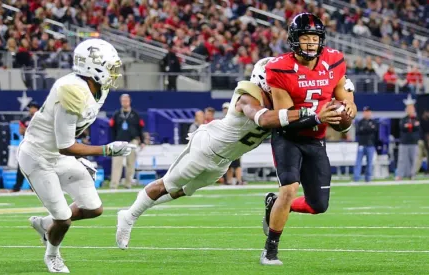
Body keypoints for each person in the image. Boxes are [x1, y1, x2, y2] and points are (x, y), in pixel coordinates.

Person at [116, 56, 346, 250]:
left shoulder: (280, 101)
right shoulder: (247, 97)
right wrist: (313, 113)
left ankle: (133, 212)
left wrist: (342, 91)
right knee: (166, 184)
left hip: (222, 160)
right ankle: (129, 217)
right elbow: (265, 119)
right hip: (205, 149)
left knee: (184, 191)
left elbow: (313, 93)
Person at [18, 39, 136, 273]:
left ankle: (44, 225)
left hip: (57, 154)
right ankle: (52, 255)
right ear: (95, 68)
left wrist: (78, 157)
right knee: (63, 218)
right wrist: (106, 150)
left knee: (94, 208)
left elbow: (70, 136)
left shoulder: (95, 89)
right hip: (38, 156)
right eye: (110, 67)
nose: (114, 73)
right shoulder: (72, 90)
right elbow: (65, 145)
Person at [262, 13, 357, 265]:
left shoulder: (335, 61)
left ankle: (277, 206)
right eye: (305, 37)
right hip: (288, 137)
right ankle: (270, 250)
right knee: (289, 188)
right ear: (294, 40)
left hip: (316, 140)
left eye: (314, 38)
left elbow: (348, 100)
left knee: (318, 205)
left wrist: (347, 112)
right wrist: (317, 116)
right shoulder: (278, 67)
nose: (310, 43)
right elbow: (286, 117)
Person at [109, 94, 145, 189]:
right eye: (123, 100)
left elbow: (140, 128)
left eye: (126, 100)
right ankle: (114, 185)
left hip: (132, 141)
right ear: (121, 102)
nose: (125, 102)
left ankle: (128, 184)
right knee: (117, 164)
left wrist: (142, 141)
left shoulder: (135, 114)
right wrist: (112, 141)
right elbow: (112, 129)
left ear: (129, 101)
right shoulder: (117, 114)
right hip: (118, 142)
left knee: (131, 164)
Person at [13, 101, 39, 192]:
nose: (32, 109)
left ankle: (34, 187)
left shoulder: (41, 118)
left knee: (36, 167)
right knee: (21, 166)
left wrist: (28, 130)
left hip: (38, 146)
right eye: (31, 107)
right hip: (27, 145)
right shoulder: (25, 119)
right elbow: (21, 131)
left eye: (34, 107)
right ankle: (17, 186)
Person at [396, 96, 419, 180]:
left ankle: (412, 175)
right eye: (409, 108)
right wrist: (412, 125)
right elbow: (403, 127)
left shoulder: (416, 118)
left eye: (412, 108)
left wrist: (410, 126)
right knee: (402, 160)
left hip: (414, 142)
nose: (410, 110)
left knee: (414, 160)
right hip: (404, 142)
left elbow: (418, 127)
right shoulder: (403, 119)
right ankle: (400, 175)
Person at [353, 106, 378, 182]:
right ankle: (356, 178)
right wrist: (368, 128)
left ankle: (368, 178)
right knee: (358, 162)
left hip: (370, 144)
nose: (367, 113)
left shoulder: (374, 122)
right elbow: (358, 131)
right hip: (361, 144)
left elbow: (375, 131)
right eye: (365, 112)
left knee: (369, 163)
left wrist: (364, 129)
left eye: (368, 112)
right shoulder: (360, 122)